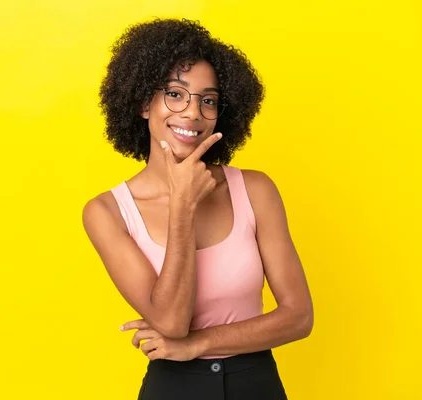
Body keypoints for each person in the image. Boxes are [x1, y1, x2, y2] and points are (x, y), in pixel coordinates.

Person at [82, 18, 313, 400]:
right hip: (174, 388)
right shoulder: (107, 213)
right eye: (176, 94)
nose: (192, 113)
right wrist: (183, 206)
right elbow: (171, 322)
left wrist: (197, 344)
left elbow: (299, 316)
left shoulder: (255, 189)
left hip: (257, 384)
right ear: (144, 103)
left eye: (208, 100)